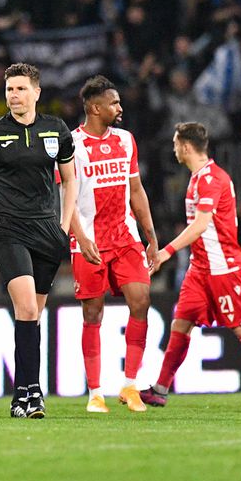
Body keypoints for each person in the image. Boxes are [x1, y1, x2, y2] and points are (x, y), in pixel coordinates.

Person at [0, 63, 99, 419]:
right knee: (27, 308)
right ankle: (28, 394)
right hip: (9, 229)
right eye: (9, 89)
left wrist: (63, 226)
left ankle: (26, 392)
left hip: (47, 232)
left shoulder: (56, 130)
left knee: (33, 315)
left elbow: (70, 180)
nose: (13, 95)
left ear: (36, 92)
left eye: (20, 89)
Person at [143, 123, 241, 408]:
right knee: (181, 324)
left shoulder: (211, 179)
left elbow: (201, 225)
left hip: (223, 268)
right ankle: (160, 389)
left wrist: (167, 251)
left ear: (186, 147)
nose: (174, 149)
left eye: (176, 144)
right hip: (199, 269)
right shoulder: (197, 178)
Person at [69, 76, 159, 414]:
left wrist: (150, 237)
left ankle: (130, 384)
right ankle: (95, 392)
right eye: (114, 103)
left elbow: (136, 191)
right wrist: (79, 237)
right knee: (93, 313)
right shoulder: (71, 145)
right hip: (90, 240)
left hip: (125, 237)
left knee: (142, 299)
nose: (120, 108)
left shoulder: (125, 141)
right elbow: (67, 199)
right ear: (95, 107)